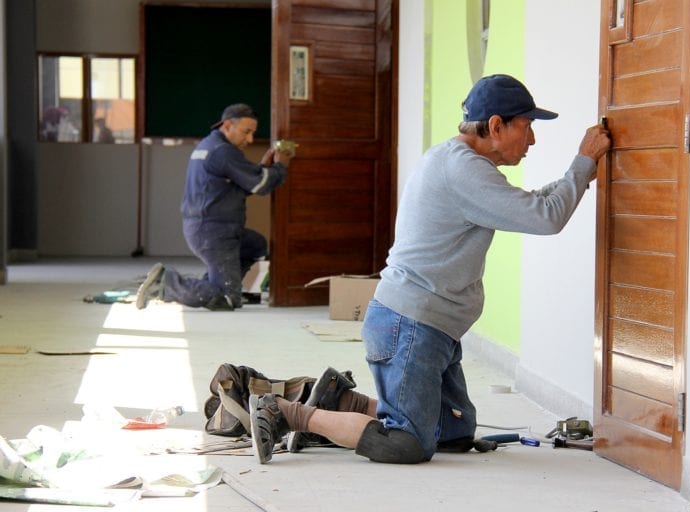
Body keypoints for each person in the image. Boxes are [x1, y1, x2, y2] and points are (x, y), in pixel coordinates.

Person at [250, 74, 611, 464]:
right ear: (495, 125)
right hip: (411, 326)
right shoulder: (463, 171)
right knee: (407, 443)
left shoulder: (458, 162)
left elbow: (529, 204)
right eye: (527, 127)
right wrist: (583, 161)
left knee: (453, 433)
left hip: (428, 328)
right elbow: (545, 218)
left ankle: (340, 399)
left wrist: (578, 178)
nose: (532, 140)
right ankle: (288, 413)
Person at [136, 103, 293, 311]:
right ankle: (166, 283)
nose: (250, 140)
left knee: (256, 245)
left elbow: (242, 185)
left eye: (253, 133)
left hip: (209, 228)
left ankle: (215, 283)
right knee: (228, 299)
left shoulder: (208, 145)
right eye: (246, 132)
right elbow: (260, 186)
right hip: (214, 232)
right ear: (227, 125)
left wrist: (262, 168)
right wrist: (281, 165)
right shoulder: (223, 152)